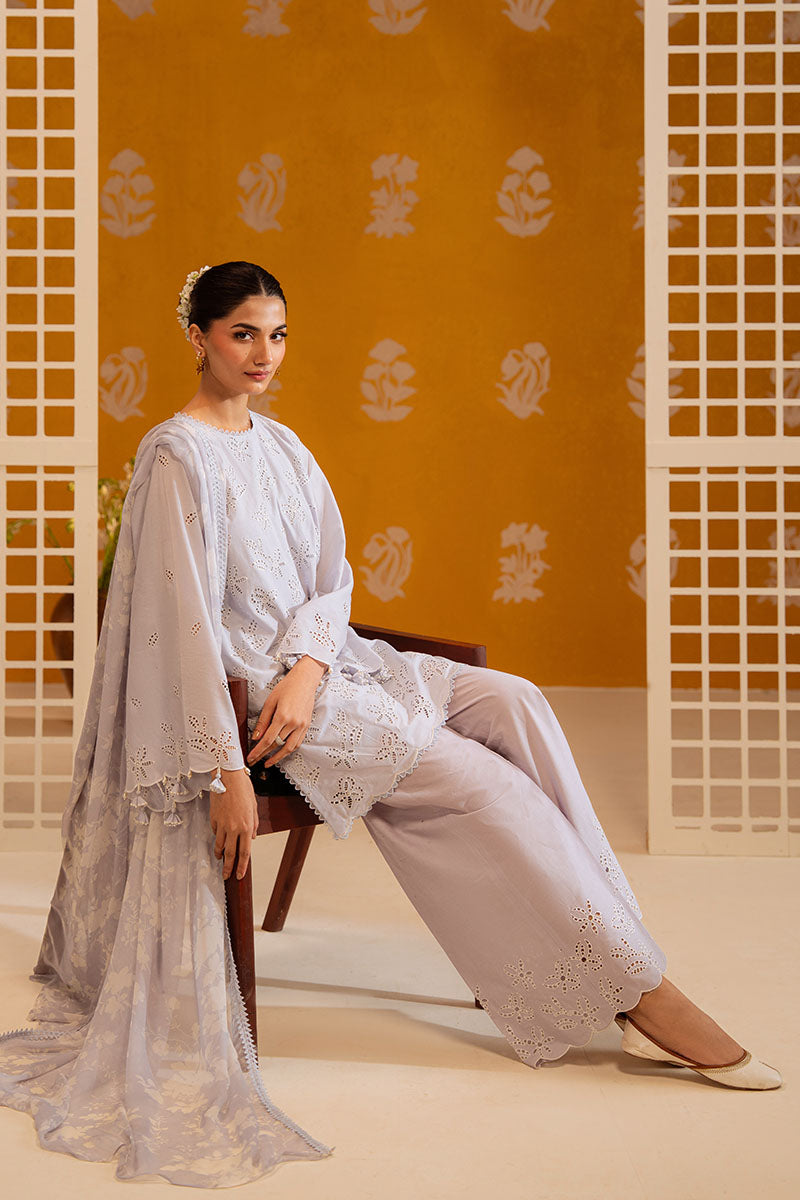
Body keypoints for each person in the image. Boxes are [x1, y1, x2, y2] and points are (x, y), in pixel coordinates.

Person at [0, 262, 781, 1189]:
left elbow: (331, 582)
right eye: (243, 333)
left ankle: (615, 952)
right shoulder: (177, 457)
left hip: (325, 674)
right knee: (486, 788)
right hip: (253, 709)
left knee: (519, 704)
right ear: (199, 338)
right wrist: (225, 772)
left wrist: (312, 667)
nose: (263, 353)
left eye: (277, 334)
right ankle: (646, 998)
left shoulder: (283, 446)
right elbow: (180, 633)